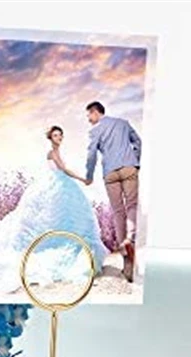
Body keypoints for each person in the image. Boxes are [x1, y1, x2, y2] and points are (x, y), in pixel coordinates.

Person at [0, 126, 106, 293]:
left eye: (60, 135)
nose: (59, 138)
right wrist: (83, 179)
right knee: (54, 218)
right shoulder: (52, 152)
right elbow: (64, 170)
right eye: (55, 135)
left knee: (70, 218)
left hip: (61, 185)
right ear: (50, 138)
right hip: (57, 185)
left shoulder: (56, 151)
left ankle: (76, 247)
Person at [85, 101, 142, 282]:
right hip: (129, 167)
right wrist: (135, 161)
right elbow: (137, 141)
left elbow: (91, 155)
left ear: (95, 112)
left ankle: (126, 258)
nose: (88, 119)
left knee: (118, 211)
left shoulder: (95, 131)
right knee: (131, 205)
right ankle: (130, 239)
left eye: (89, 115)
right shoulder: (123, 123)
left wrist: (89, 175)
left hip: (110, 172)